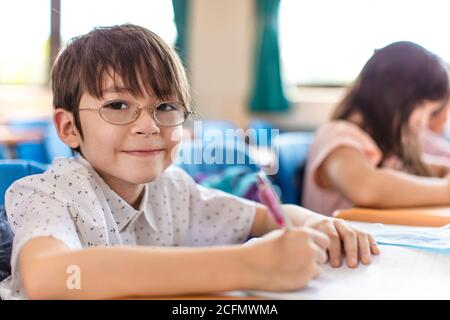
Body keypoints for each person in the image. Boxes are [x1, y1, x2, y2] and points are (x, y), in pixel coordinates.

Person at [1, 24, 378, 300]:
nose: (149, 126)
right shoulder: (51, 192)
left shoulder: (174, 189)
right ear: (69, 128)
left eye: (165, 107)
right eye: (118, 105)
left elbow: (266, 216)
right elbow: (51, 278)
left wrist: (316, 223)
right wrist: (248, 266)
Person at [303, 41, 450, 216]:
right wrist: (446, 191)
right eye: (426, 109)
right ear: (397, 96)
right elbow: (365, 188)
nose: (425, 122)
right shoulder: (337, 136)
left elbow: (432, 167)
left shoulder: (383, 147)